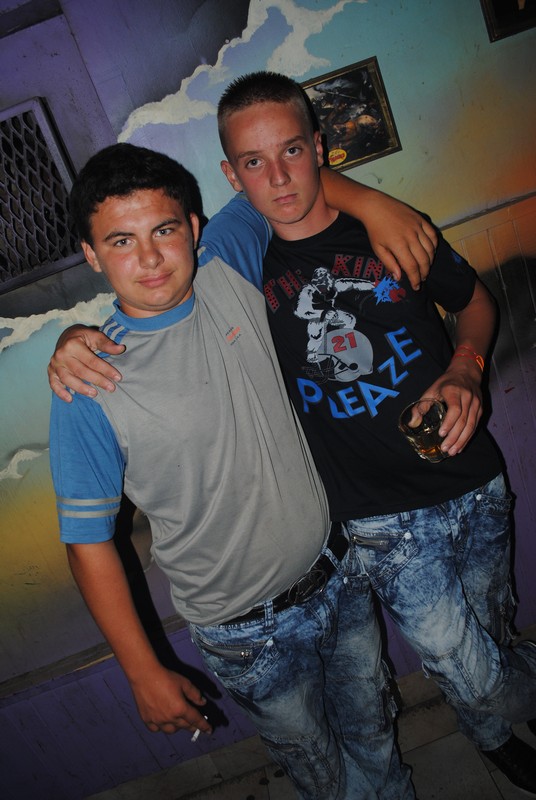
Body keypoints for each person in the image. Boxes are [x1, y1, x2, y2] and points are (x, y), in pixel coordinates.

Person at [50, 72, 536, 796]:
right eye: (121, 242)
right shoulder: (88, 380)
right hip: (250, 625)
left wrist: (373, 201)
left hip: (336, 574)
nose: (149, 258)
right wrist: (143, 669)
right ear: (92, 256)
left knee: (379, 727)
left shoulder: (227, 266)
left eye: (164, 231)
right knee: (326, 766)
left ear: (194, 227)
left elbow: (284, 180)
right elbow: (88, 542)